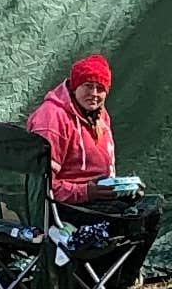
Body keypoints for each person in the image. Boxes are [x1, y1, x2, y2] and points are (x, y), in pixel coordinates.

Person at [28, 53, 121, 202]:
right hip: (65, 209)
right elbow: (40, 186)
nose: (94, 94)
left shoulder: (100, 114)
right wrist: (85, 192)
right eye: (88, 86)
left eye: (100, 88)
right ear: (75, 86)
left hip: (96, 201)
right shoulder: (51, 119)